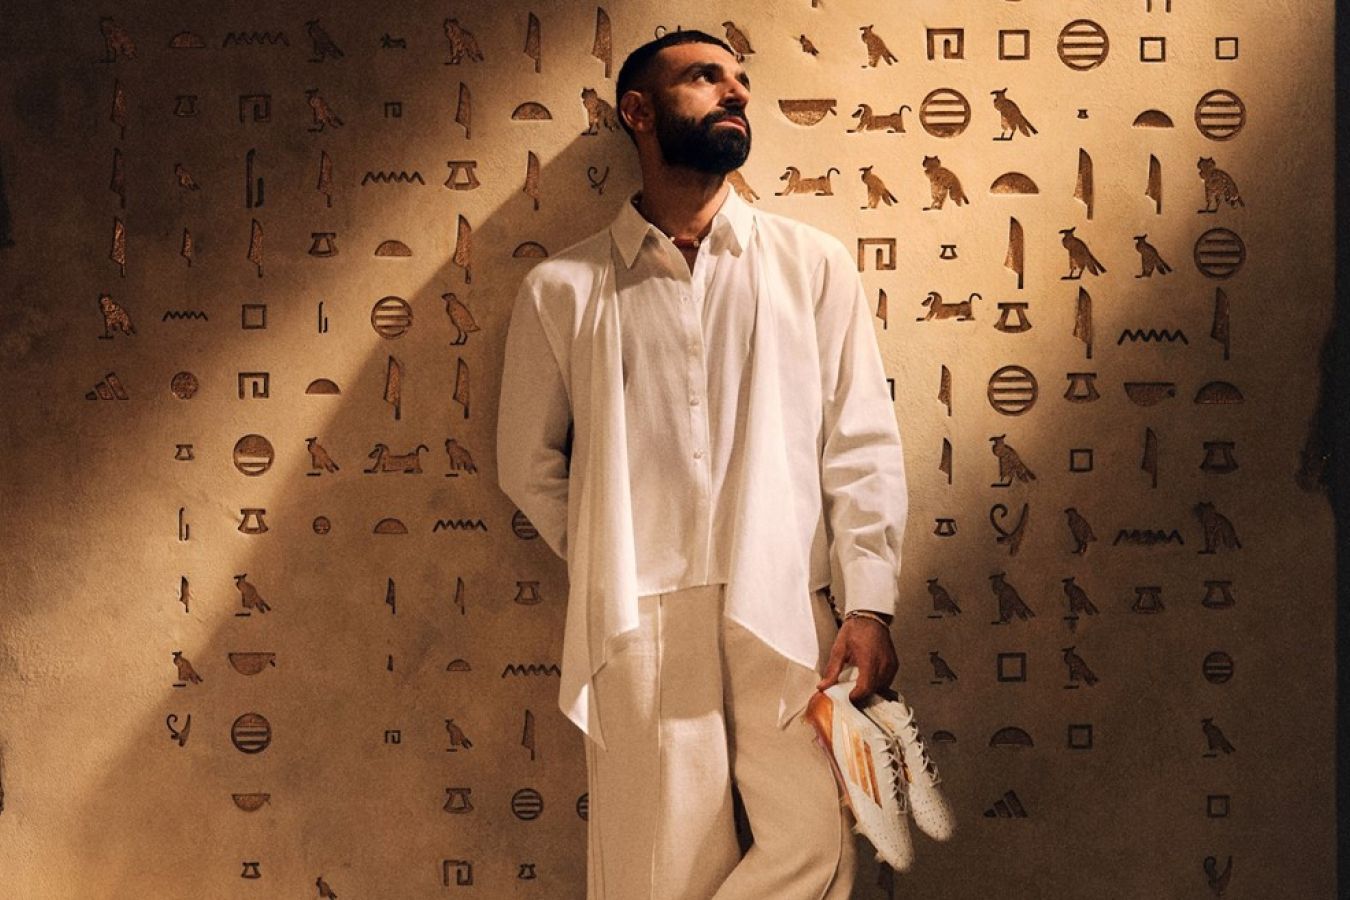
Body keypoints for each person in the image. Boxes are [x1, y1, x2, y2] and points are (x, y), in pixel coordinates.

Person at [496, 30, 909, 899]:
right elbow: (527, 463)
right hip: (638, 616)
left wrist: (868, 601)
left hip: (788, 599)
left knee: (819, 848)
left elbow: (861, 441)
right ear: (638, 112)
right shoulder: (564, 288)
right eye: (705, 77)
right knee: (659, 871)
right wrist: (613, 555)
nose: (737, 93)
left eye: (740, 80)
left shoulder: (810, 266)